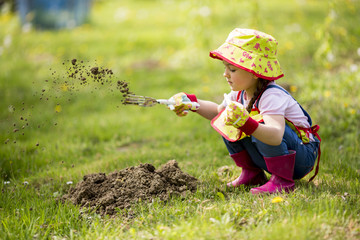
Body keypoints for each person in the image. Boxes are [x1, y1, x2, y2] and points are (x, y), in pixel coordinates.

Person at [169, 28, 321, 194]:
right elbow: (217, 112)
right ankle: (252, 173)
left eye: (232, 70)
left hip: (300, 157)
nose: (225, 74)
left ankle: (282, 180)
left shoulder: (271, 96)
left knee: (256, 121)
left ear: (255, 71)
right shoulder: (240, 92)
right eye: (225, 68)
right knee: (226, 117)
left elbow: (276, 135)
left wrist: (247, 123)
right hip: (280, 152)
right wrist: (191, 102)